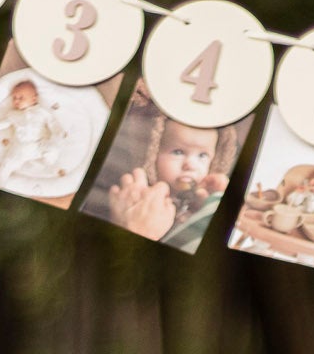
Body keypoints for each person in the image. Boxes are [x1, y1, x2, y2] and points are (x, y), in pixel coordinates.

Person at [99, 105, 241, 251]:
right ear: (151, 152)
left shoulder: (205, 204)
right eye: (178, 152)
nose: (191, 165)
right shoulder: (136, 198)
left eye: (202, 156)